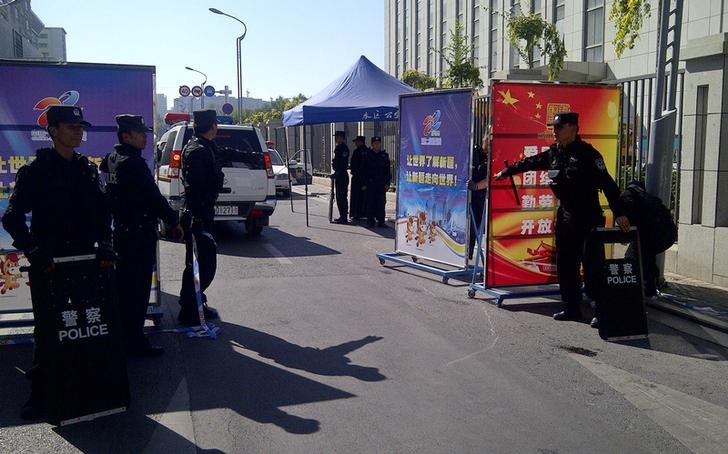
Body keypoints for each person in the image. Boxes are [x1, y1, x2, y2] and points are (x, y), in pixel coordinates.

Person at [2, 105, 114, 419]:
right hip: (50, 265)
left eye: (80, 127)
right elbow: (12, 218)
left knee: (86, 326)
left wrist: (104, 243)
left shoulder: (86, 169)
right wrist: (34, 251)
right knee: (48, 331)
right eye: (71, 126)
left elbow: (102, 212)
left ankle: (84, 388)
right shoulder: (36, 171)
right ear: (53, 131)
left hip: (84, 263)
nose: (78, 132)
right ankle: (40, 396)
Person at [494, 112, 630, 324]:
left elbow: (609, 185)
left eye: (559, 127)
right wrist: (507, 171)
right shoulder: (555, 153)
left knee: (593, 266)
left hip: (589, 218)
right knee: (567, 266)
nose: (554, 131)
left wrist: (620, 212)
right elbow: (531, 162)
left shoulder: (588, 155)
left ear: (573, 128)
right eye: (553, 127)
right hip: (566, 218)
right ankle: (571, 308)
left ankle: (600, 313)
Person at [101, 114, 184, 356]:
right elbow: (154, 199)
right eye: (139, 133)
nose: (144, 137)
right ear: (126, 135)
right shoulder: (134, 164)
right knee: (137, 292)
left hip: (122, 234)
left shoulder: (110, 160)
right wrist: (173, 221)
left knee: (124, 290)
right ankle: (134, 343)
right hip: (138, 236)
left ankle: (123, 338)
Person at [177, 110, 223, 326]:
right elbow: (194, 190)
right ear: (212, 126)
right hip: (198, 216)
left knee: (202, 264)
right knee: (200, 266)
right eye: (216, 124)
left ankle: (196, 303)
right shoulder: (197, 150)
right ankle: (188, 310)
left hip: (204, 213)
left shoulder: (206, 147)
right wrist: (199, 219)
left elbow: (226, 154)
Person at [466, 132, 490, 261]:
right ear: (483, 138)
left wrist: (476, 186)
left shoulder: (496, 156)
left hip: (485, 198)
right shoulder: (475, 151)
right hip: (471, 196)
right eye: (488, 137)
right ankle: (467, 255)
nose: (490, 140)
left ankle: (484, 264)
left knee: (483, 230)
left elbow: (490, 178)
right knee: (469, 227)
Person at [364, 136, 391, 227]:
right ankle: (370, 221)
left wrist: (388, 183)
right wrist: (364, 183)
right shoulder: (367, 155)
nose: (377, 145)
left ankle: (381, 221)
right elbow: (363, 170)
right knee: (370, 202)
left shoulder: (384, 156)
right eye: (375, 143)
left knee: (381, 203)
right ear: (372, 145)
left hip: (381, 184)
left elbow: (388, 171)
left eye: (379, 143)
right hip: (370, 183)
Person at [349, 135, 370, 221]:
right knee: (360, 197)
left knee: (357, 197)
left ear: (361, 142)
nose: (356, 143)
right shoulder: (366, 151)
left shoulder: (359, 152)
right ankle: (361, 213)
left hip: (359, 178)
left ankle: (357, 214)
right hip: (361, 178)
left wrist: (363, 181)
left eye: (357, 142)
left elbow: (361, 167)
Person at [331, 130, 350, 224]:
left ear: (342, 138)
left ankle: (344, 217)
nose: (336, 138)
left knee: (342, 196)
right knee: (339, 197)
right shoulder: (339, 147)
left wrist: (337, 172)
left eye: (337, 137)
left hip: (342, 174)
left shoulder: (343, 148)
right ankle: (342, 215)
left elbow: (342, 163)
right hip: (339, 174)